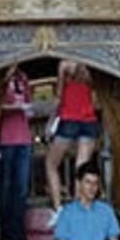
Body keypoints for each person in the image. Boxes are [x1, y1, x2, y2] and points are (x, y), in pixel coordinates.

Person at [45, 59, 100, 223]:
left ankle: (58, 209)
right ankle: (79, 211)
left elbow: (60, 96)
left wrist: (51, 120)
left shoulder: (64, 65)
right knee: (80, 168)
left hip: (69, 118)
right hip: (89, 119)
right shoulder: (91, 66)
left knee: (51, 164)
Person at [54, 161, 120, 240]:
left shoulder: (106, 211)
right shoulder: (67, 213)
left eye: (95, 183)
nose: (92, 187)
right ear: (79, 183)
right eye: (88, 182)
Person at [0, 66, 34, 240]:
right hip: (5, 139)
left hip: (24, 138)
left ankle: (19, 235)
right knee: (5, 188)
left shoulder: (23, 77)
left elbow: (28, 103)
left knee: (21, 190)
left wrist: (28, 109)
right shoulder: (0, 78)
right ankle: (3, 236)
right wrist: (15, 108)